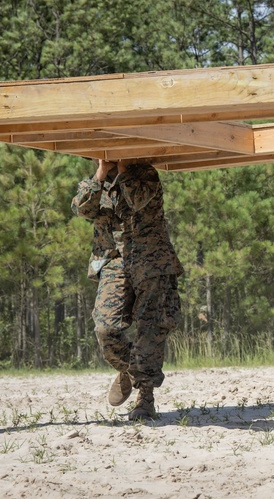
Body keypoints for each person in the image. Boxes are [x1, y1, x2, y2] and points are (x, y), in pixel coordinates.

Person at [72, 159, 183, 421]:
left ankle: (146, 398)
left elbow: (137, 200)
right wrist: (100, 173)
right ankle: (130, 368)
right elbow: (81, 209)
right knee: (105, 328)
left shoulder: (145, 174)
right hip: (113, 261)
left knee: (151, 327)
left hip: (151, 260)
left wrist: (123, 169)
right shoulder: (97, 181)